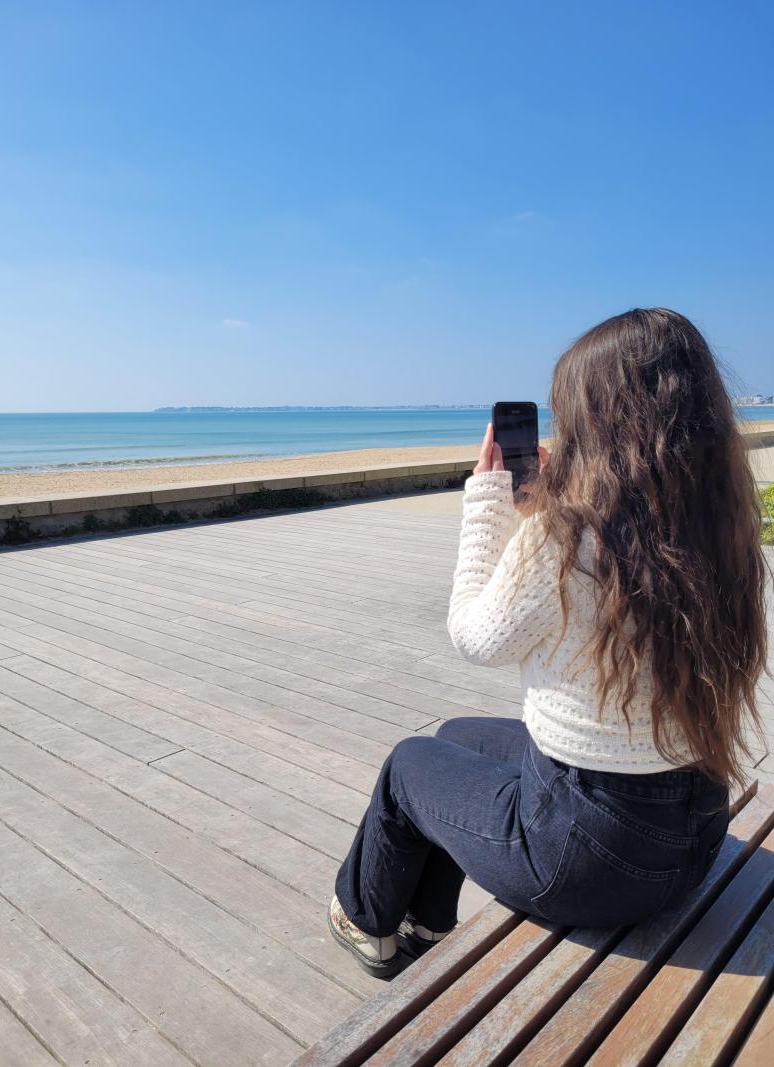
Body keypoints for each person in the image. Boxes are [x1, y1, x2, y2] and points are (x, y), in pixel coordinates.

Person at [328, 308, 768, 979]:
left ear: (600, 422)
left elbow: (476, 637)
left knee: (408, 765)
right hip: (692, 835)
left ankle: (365, 922)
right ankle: (425, 923)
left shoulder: (567, 539)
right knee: (455, 733)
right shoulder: (717, 530)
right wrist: (548, 517)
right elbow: (600, 596)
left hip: (592, 857)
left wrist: (488, 501)